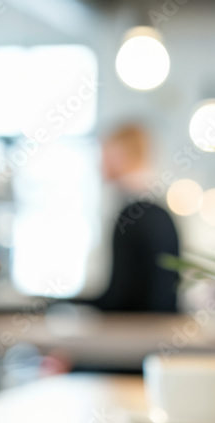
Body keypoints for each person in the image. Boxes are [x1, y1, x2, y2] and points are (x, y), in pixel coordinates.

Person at [91, 123, 180, 312]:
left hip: (137, 335)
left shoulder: (133, 216)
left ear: (119, 155)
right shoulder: (159, 213)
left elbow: (120, 297)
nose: (99, 164)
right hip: (157, 333)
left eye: (104, 154)